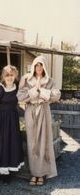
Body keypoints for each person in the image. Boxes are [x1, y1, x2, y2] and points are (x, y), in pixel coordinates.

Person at [17, 56, 61, 186]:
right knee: (32, 143)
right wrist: (33, 91)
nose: (39, 68)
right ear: (34, 66)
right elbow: (20, 96)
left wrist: (40, 90)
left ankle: (41, 174)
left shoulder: (50, 81)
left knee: (43, 142)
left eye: (41, 65)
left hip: (43, 110)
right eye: (37, 65)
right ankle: (34, 173)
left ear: (44, 66)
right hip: (30, 111)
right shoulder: (27, 80)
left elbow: (56, 95)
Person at [0, 65, 24, 181]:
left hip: (12, 120)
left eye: (12, 75)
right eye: (7, 75)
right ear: (3, 76)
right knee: (0, 145)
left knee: (11, 144)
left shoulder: (16, 88)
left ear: (15, 76)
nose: (9, 77)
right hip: (0, 121)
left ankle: (8, 171)